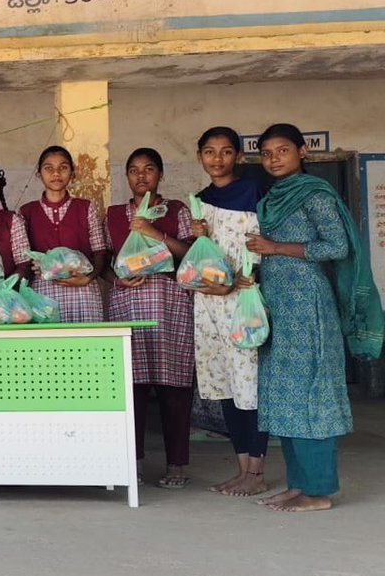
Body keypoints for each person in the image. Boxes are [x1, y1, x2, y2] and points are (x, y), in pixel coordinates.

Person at [247, 123, 382, 512]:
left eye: (283, 150)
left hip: (308, 304)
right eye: (267, 152)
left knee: (311, 395)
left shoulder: (315, 194)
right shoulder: (273, 196)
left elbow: (336, 245)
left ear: (303, 152)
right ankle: (297, 484)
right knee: (284, 396)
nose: (274, 158)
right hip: (278, 304)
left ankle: (319, 492)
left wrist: (274, 247)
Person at [104, 148, 195, 489]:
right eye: (133, 171)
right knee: (132, 388)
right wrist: (116, 279)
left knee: (174, 388)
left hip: (170, 304)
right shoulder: (113, 215)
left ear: (160, 175)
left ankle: (177, 465)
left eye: (149, 169)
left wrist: (155, 233)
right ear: (126, 177)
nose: (141, 176)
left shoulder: (176, 211)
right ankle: (134, 462)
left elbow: (192, 253)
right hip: (127, 303)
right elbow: (106, 262)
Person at [188, 127, 269, 497]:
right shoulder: (199, 200)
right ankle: (241, 469)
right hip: (209, 303)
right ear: (200, 156)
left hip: (245, 299)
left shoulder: (255, 192)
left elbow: (265, 245)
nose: (217, 159)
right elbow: (197, 260)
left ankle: (257, 471)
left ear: (237, 156)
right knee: (225, 386)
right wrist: (197, 236)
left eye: (225, 152)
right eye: (209, 152)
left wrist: (241, 279)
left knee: (249, 385)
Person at [18, 146, 107, 322]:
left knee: (86, 345)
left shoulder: (85, 207)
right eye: (48, 168)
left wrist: (87, 278)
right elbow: (23, 257)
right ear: (39, 174)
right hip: (44, 292)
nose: (56, 173)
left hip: (83, 290)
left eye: (63, 168)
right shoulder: (27, 212)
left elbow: (100, 252)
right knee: (50, 346)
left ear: (72, 173)